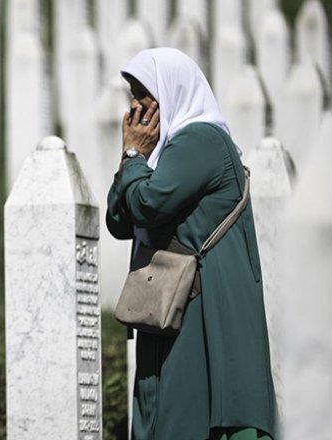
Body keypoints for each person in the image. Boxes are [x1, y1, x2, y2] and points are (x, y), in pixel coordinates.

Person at [107, 48, 277, 440]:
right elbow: (118, 221)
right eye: (131, 94)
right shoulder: (159, 153)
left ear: (172, 90)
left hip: (203, 304)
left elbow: (147, 205)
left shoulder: (201, 140)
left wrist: (133, 156)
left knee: (190, 409)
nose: (136, 107)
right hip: (171, 303)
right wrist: (131, 157)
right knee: (165, 406)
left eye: (144, 94)